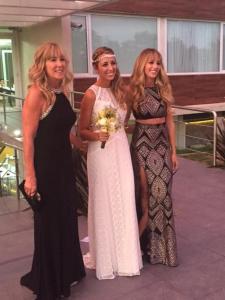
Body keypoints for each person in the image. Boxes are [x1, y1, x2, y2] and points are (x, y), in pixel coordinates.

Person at [20, 42, 85, 299]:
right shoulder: (37, 93)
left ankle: (66, 273)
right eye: (52, 60)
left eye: (62, 59)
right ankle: (50, 281)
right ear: (42, 65)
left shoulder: (60, 92)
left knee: (66, 221)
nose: (59, 64)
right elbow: (28, 137)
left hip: (64, 168)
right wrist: (30, 176)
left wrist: (81, 145)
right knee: (49, 225)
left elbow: (61, 131)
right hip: (46, 170)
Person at [79, 46, 142, 280]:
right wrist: (96, 135)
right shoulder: (90, 94)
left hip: (120, 151)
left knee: (124, 198)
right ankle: (106, 258)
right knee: (105, 200)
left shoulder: (123, 92)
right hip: (100, 154)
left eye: (113, 63)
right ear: (96, 67)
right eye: (105, 64)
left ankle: (126, 257)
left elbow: (125, 123)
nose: (110, 68)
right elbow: (81, 130)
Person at [128, 48, 178, 267]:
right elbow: (121, 119)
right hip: (141, 147)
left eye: (158, 63)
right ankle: (137, 248)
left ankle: (163, 249)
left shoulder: (163, 89)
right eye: (150, 63)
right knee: (145, 196)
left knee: (163, 195)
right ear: (142, 65)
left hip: (161, 146)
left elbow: (169, 122)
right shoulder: (132, 90)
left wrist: (174, 151)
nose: (155, 67)